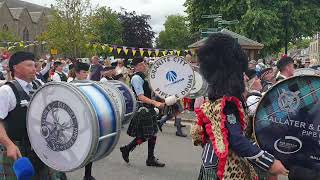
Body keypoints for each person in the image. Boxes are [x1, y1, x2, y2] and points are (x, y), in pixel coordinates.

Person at [190, 34, 288, 180]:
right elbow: (235, 139)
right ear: (231, 74)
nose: (246, 78)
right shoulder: (226, 103)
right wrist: (270, 162)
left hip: (214, 162)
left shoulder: (220, 97)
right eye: (242, 73)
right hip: (224, 168)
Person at [0, 51, 66, 179]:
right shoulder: (6, 91)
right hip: (18, 149)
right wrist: (9, 145)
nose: (34, 69)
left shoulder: (40, 85)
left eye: (34, 66)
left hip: (41, 147)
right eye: (29, 65)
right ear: (16, 68)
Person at [120, 57, 165, 167]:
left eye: (143, 63)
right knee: (147, 135)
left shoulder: (144, 76)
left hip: (148, 107)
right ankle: (127, 149)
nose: (143, 66)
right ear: (135, 67)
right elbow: (140, 97)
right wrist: (155, 103)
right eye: (140, 64)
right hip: (143, 109)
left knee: (152, 133)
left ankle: (150, 158)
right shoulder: (136, 78)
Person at [69, 62, 94, 180]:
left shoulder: (89, 84)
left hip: (87, 120)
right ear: (77, 73)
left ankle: (87, 175)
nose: (86, 74)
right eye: (84, 72)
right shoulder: (70, 85)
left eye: (87, 72)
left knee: (90, 147)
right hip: (74, 122)